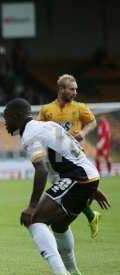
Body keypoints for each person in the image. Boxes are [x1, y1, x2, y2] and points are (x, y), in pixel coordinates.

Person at [3, 98, 110, 275]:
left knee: (35, 220)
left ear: (17, 116)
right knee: (60, 225)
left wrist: (32, 206)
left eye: (7, 118)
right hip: (87, 175)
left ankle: (62, 274)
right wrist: (93, 184)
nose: (5, 123)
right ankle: (73, 272)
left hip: (78, 178)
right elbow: (74, 150)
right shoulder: (49, 125)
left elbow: (41, 170)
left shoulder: (30, 135)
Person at [37, 74, 101, 239]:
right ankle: (89, 212)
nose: (75, 92)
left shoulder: (79, 107)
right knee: (64, 183)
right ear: (61, 89)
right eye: (72, 89)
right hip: (56, 156)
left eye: (76, 89)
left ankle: (89, 214)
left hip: (75, 155)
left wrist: (83, 132)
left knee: (65, 184)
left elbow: (92, 122)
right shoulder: (47, 110)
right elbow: (38, 128)